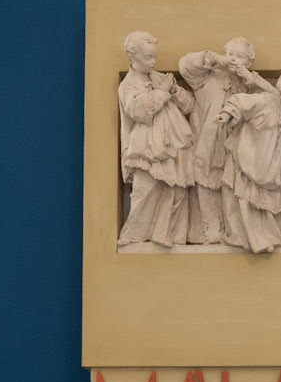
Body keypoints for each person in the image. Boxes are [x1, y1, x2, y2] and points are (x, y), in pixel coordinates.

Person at [179, 37, 271, 245]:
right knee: (205, 182)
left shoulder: (247, 87)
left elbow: (272, 99)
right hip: (207, 143)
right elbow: (185, 67)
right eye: (231, 54)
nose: (234, 60)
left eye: (240, 57)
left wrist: (250, 78)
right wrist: (213, 58)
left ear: (248, 63)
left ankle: (233, 231)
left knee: (230, 188)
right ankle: (210, 229)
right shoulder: (208, 78)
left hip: (236, 147)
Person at [215, 69, 281, 254]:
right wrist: (228, 113)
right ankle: (250, 238)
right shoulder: (265, 102)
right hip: (252, 163)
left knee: (267, 206)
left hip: (273, 170)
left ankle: (269, 237)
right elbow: (239, 102)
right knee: (247, 203)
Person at [115, 31, 194, 249]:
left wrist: (176, 90)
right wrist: (162, 92)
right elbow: (140, 111)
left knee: (175, 192)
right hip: (147, 149)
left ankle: (169, 235)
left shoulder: (161, 78)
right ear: (133, 57)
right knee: (145, 190)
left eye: (154, 56)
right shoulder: (128, 85)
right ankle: (134, 235)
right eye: (148, 57)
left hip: (173, 146)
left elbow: (189, 106)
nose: (153, 61)